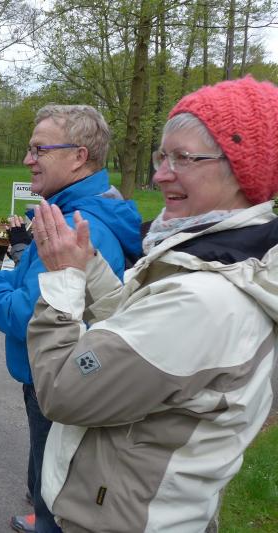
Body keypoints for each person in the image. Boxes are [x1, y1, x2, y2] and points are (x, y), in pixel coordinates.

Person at [26, 76, 278, 532]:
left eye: (184, 158)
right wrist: (89, 267)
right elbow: (136, 328)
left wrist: (62, 280)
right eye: (162, 156)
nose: (161, 174)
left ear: (242, 169)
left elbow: (64, 391)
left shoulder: (206, 300)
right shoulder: (216, 261)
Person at [0, 105, 142, 533]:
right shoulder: (69, 213)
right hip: (53, 376)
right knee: (47, 482)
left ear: (79, 156)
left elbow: (30, 318)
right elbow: (31, 285)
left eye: (39, 149)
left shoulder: (78, 225)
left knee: (55, 499)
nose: (28, 159)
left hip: (62, 382)